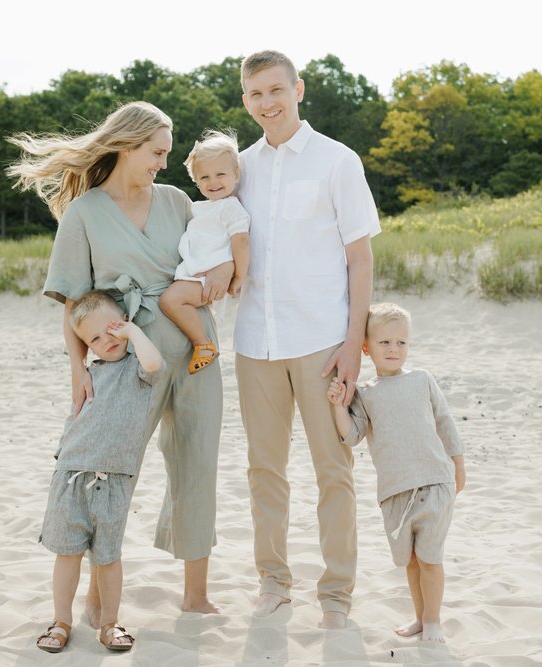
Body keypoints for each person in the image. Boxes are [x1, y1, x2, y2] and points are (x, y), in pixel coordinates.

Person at [7, 101, 227, 628]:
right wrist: (78, 371)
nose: (162, 163)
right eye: (156, 152)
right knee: (104, 470)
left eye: (167, 154)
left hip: (197, 350)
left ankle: (194, 594)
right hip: (123, 363)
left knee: (197, 464)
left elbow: (214, 253)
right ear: (127, 145)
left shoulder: (177, 201)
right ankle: (93, 597)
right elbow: (73, 303)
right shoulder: (84, 212)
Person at [233, 50, 381, 629]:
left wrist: (353, 343)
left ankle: (337, 593)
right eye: (254, 94)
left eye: (276, 90)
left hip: (323, 341)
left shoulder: (337, 161)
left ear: (298, 89)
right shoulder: (238, 167)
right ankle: (272, 582)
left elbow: (360, 259)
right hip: (255, 342)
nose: (267, 103)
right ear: (245, 100)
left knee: (332, 470)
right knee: (264, 470)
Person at [327, 303, 467, 643]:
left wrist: (457, 465)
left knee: (430, 559)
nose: (394, 349)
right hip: (395, 492)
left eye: (401, 343)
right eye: (385, 343)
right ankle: (420, 618)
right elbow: (352, 435)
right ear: (366, 348)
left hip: (435, 483)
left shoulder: (422, 380)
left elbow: (445, 423)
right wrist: (338, 406)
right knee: (412, 562)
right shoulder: (366, 394)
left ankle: (433, 621)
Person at [36, 290, 164, 653]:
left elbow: (155, 362)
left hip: (113, 480)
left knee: (108, 557)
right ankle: (61, 621)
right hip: (71, 475)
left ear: (123, 321)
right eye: (93, 338)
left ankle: (110, 623)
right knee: (68, 554)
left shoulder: (137, 368)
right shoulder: (89, 374)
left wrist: (133, 333)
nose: (105, 340)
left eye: (110, 329)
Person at [159, 129, 250, 375]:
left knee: (170, 301)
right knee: (171, 301)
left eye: (221, 174)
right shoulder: (200, 208)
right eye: (205, 177)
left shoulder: (231, 207)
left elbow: (241, 241)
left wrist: (238, 276)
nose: (213, 182)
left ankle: (203, 345)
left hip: (207, 278)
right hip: (195, 272)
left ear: (236, 174)